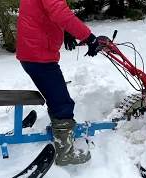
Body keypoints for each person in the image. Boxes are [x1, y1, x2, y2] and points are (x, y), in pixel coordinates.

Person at [15, 0, 99, 166]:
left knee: (58, 99)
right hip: (38, 56)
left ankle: (60, 133)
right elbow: (60, 13)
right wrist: (88, 37)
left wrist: (65, 32)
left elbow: (45, 13)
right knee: (62, 104)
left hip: (34, 52)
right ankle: (65, 154)